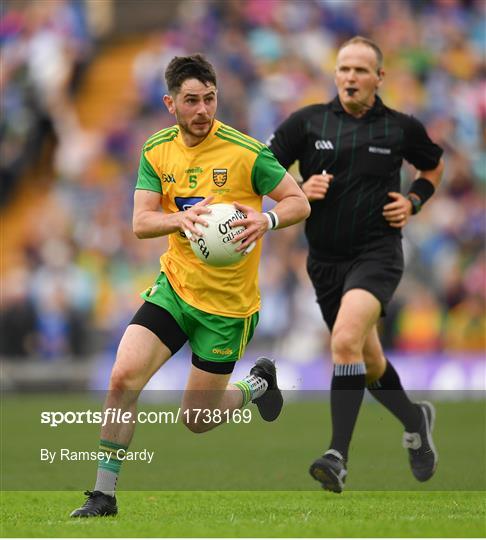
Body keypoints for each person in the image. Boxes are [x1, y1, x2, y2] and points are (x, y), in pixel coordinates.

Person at [71, 54, 310, 517]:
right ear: (170, 103)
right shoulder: (157, 150)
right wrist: (179, 218)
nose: (203, 110)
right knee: (122, 378)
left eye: (210, 99)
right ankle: (103, 495)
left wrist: (268, 218)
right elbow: (140, 223)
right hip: (175, 289)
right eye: (192, 101)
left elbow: (299, 201)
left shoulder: (245, 152)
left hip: (227, 308)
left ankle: (257, 385)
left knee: (197, 420)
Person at [268, 36, 444, 493]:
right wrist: (297, 189)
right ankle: (415, 419)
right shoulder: (307, 123)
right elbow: (261, 169)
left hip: (377, 255)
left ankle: (337, 456)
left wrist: (413, 202)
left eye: (360, 70)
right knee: (365, 360)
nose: (350, 77)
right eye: (344, 68)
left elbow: (432, 168)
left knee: (344, 340)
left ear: (379, 78)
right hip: (325, 263)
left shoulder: (400, 128)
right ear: (335, 74)